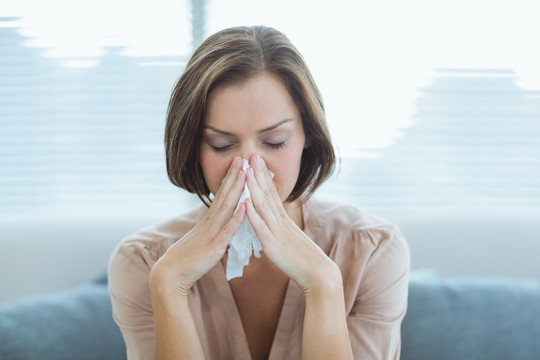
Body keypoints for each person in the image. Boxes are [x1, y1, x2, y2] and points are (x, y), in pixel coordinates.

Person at [108, 25, 410, 360]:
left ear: (307, 134)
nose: (250, 168)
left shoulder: (373, 251)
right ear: (194, 145)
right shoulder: (143, 262)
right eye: (221, 144)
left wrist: (323, 284)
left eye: (274, 142)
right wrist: (169, 285)